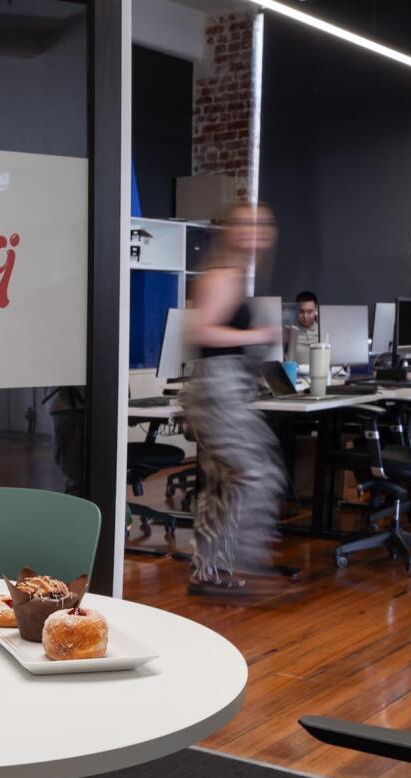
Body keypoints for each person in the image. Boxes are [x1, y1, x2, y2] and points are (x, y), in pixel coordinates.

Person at [181, 202, 286, 596]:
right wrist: (257, 336)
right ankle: (243, 560)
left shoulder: (233, 274)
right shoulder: (224, 276)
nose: (256, 231)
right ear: (230, 231)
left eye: (263, 223)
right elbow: (203, 332)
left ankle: (209, 574)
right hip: (217, 389)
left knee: (221, 484)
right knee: (257, 475)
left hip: (219, 387)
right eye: (246, 224)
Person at [285, 290, 321, 367]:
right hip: (296, 375)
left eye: (309, 312)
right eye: (301, 311)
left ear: (316, 310)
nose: (305, 316)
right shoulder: (288, 331)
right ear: (296, 310)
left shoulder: (322, 330)